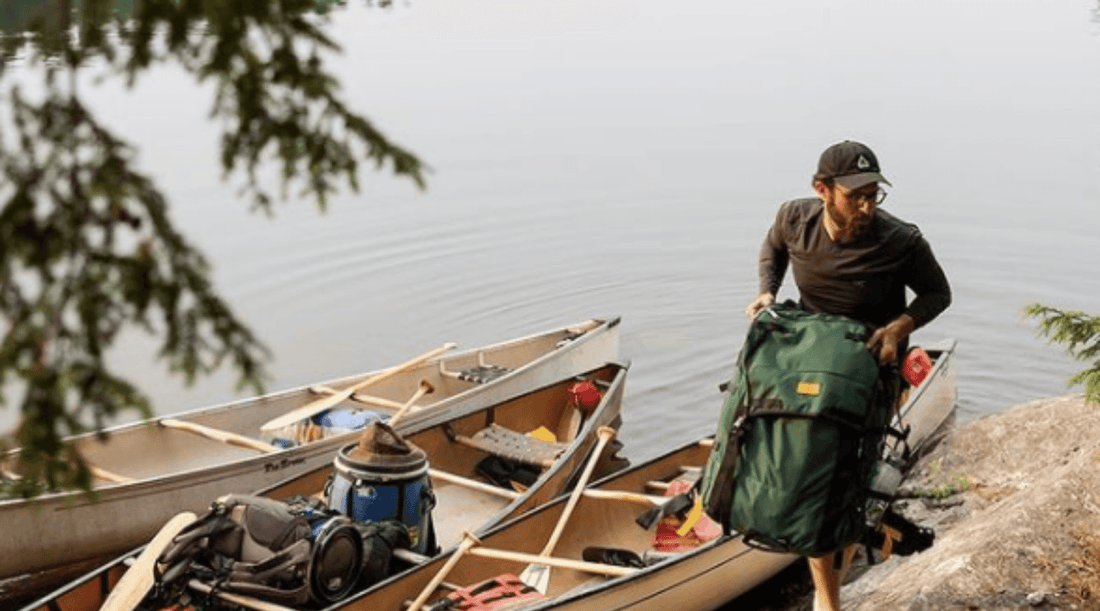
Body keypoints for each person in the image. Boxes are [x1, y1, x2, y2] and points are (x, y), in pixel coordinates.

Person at [744, 140, 951, 611]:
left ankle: (827, 600)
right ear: (822, 189)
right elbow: (773, 249)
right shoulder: (793, 219)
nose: (866, 203)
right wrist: (766, 292)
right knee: (806, 468)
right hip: (813, 355)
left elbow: (938, 293)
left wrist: (901, 326)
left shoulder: (901, 240)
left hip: (871, 364)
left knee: (846, 480)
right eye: (854, 194)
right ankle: (825, 585)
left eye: (873, 193)